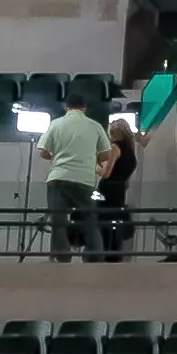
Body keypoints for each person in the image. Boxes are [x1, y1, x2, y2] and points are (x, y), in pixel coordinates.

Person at [36, 96, 113, 262]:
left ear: (66, 107)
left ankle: (63, 256)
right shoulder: (95, 126)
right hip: (85, 179)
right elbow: (106, 154)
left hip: (58, 178)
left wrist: (57, 156)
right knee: (90, 219)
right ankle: (94, 255)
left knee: (59, 221)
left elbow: (43, 151)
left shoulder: (56, 124)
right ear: (85, 108)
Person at [95, 119, 141, 262]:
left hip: (106, 189)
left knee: (99, 217)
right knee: (115, 222)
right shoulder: (131, 152)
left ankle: (99, 252)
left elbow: (106, 173)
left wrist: (93, 166)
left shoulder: (115, 148)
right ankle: (114, 255)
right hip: (120, 191)